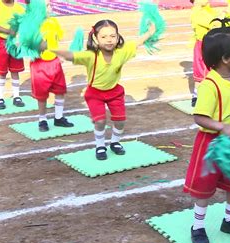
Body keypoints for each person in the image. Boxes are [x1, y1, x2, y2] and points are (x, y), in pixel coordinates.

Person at [183, 18, 230, 243]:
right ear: (225, 58)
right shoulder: (209, 85)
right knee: (204, 187)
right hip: (211, 143)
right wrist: (222, 126)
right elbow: (199, 117)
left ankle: (229, 220)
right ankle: (198, 226)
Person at [52, 20, 155, 160]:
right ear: (95, 38)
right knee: (100, 121)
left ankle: (115, 142)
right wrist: (50, 49)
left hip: (115, 92)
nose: (109, 40)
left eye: (113, 36)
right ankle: (100, 146)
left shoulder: (123, 51)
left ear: (118, 37)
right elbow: (71, 55)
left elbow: (137, 42)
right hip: (95, 94)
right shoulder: (91, 56)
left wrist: (150, 32)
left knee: (120, 121)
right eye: (104, 37)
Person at [26, 0, 73, 132]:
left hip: (54, 62)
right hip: (39, 64)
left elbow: (58, 39)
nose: (50, 7)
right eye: (47, 6)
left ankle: (59, 117)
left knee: (60, 90)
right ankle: (42, 119)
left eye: (49, 4)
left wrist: (59, 55)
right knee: (42, 95)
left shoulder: (53, 22)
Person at [0, 0, 25, 110]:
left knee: (15, 70)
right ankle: (0, 98)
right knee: (1, 71)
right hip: (1, 42)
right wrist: (7, 31)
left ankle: (16, 96)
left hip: (15, 43)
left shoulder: (19, 8)